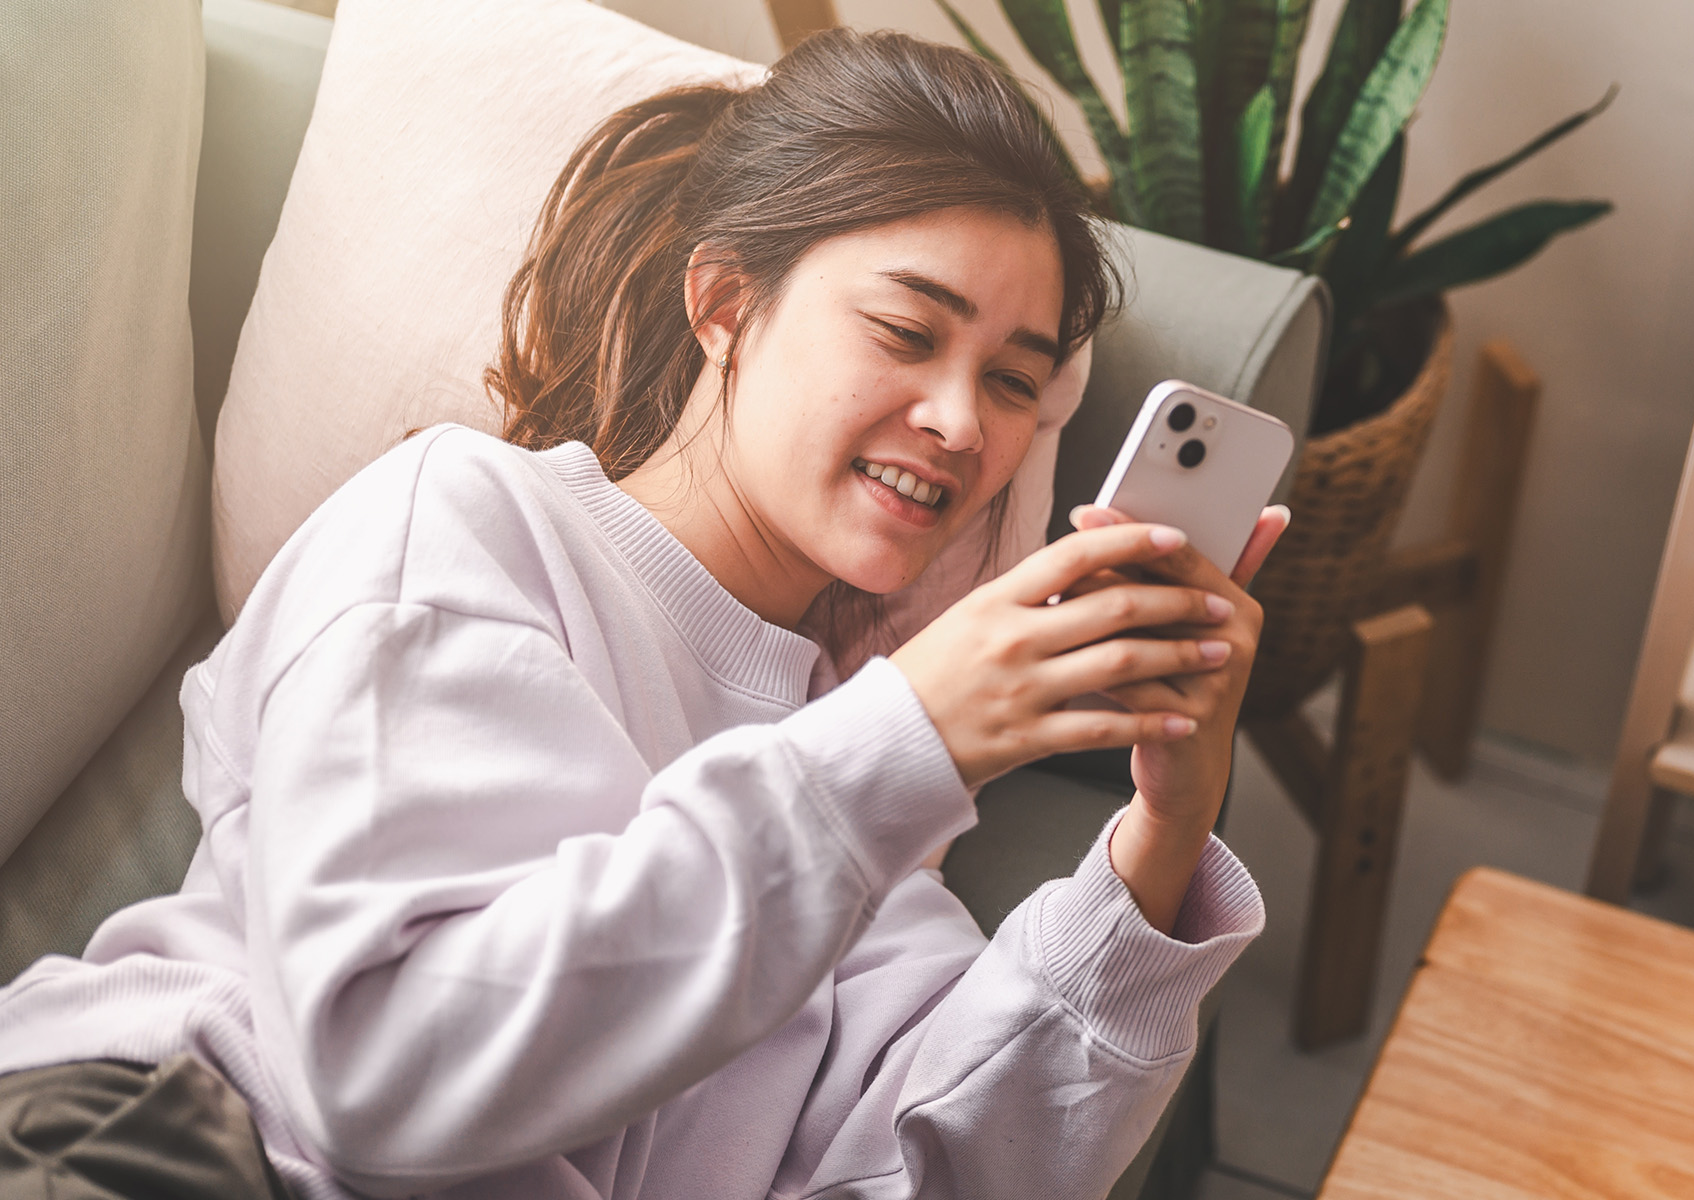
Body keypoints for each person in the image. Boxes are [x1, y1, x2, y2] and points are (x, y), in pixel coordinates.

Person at [0, 28, 1285, 1200]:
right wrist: (907, 743)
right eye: (906, 331)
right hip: (166, 1147)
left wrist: (1163, 833)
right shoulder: (465, 523)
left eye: (1014, 380)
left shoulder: (865, 789)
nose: (964, 424)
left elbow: (941, 1166)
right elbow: (377, 1077)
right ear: (725, 304)